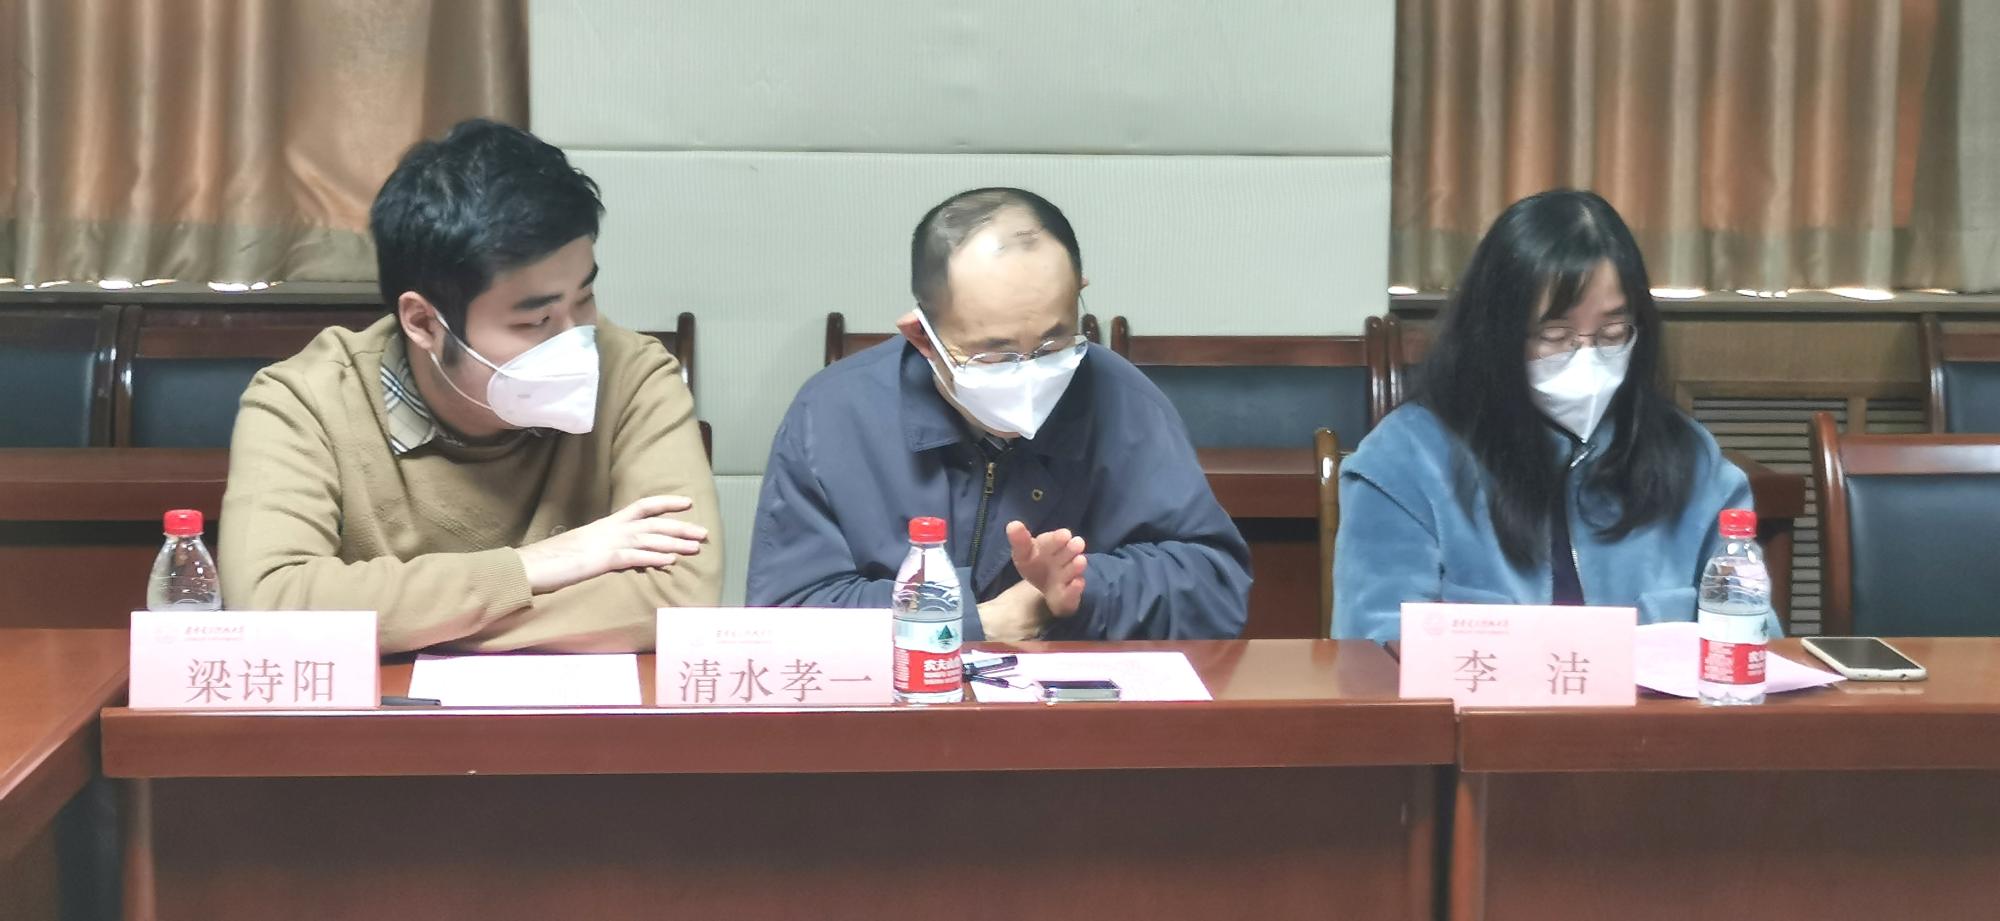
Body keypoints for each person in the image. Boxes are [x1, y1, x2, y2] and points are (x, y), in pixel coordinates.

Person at [219, 119, 721, 653]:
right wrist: (531, 567)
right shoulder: (306, 401)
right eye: (536, 320)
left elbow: (679, 597)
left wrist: (404, 627)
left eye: (584, 299)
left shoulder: (634, 376)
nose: (577, 340)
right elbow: (269, 602)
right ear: (424, 323)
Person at [747, 187, 1250, 640]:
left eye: (1053, 344)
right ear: (922, 336)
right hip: (894, 703)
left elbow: (1215, 586)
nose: (1030, 376)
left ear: (1077, 294)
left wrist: (1080, 590)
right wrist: (973, 619)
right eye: (993, 355)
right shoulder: (833, 414)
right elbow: (788, 613)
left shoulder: (1123, 399)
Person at [1334, 189, 1778, 641]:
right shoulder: (1406, 462)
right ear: (1496, 332)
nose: (1586, 357)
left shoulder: (1689, 458)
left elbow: (1753, 640)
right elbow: (1374, 653)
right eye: (1555, 334)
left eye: (1611, 332)